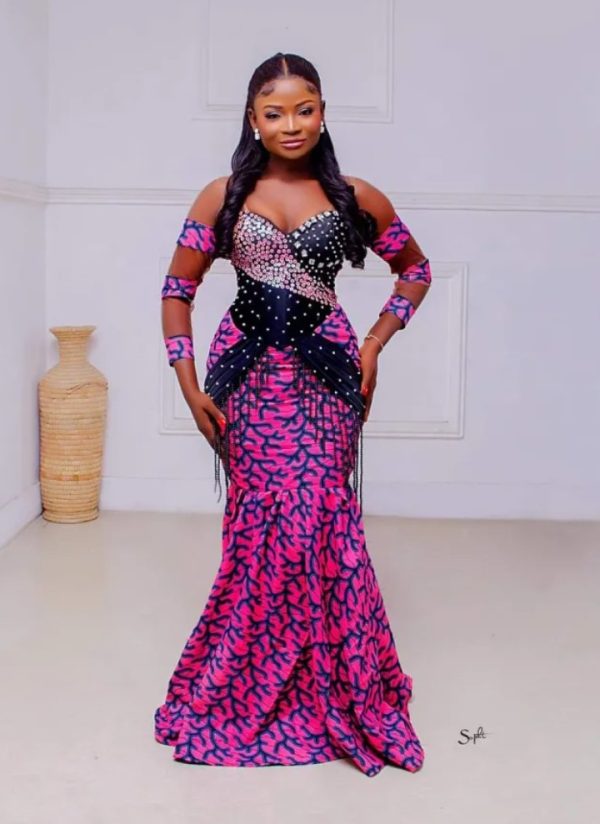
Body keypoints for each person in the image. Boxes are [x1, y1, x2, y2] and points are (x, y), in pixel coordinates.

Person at [154, 52, 431, 778]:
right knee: (262, 526)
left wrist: (375, 343)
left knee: (322, 518)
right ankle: (247, 684)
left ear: (323, 112)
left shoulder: (354, 196)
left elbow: (416, 270)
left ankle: (335, 684)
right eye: (273, 112)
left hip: (329, 375)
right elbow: (176, 290)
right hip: (245, 376)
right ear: (253, 120)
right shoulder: (221, 196)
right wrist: (187, 383)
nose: (291, 124)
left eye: (303, 109)